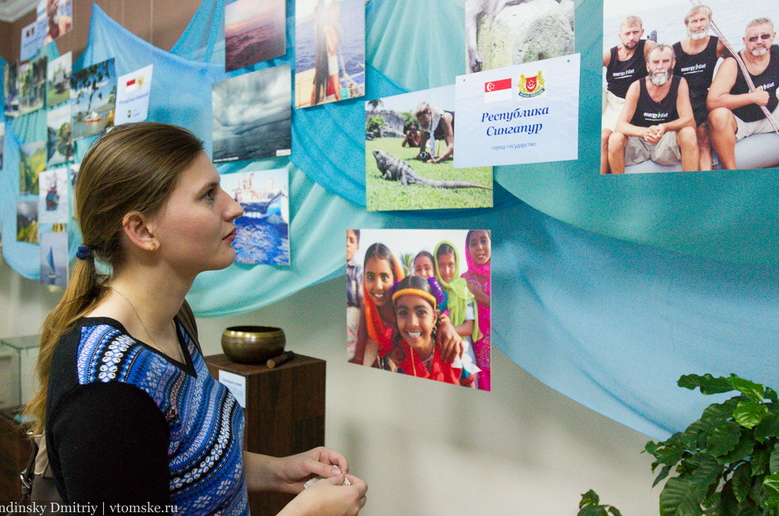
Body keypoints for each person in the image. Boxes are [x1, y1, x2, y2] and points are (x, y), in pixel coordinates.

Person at [23, 122, 367, 514]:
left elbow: (177, 469)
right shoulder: (105, 391)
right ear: (141, 229)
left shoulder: (174, 319)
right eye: (207, 195)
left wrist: (279, 471)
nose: (234, 207)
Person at [608, 44, 699, 173]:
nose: (660, 66)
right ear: (648, 66)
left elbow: (688, 119)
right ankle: (618, 187)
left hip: (666, 141)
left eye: (665, 61)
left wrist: (664, 127)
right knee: (615, 138)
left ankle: (691, 186)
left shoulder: (680, 83)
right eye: (655, 62)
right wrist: (645, 132)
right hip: (640, 141)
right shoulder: (636, 86)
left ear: (673, 63)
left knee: (689, 133)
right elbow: (621, 125)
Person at [707, 18, 779, 170]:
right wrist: (752, 97)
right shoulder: (733, 63)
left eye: (764, 36)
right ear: (744, 41)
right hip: (741, 122)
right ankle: (732, 173)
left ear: (773, 36)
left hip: (771, 114)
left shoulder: (777, 54)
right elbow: (713, 101)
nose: (759, 41)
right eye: (753, 38)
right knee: (718, 116)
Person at [389, 276, 474, 387]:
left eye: (421, 312)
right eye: (403, 313)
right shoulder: (399, 355)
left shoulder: (454, 350)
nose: (412, 323)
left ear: (434, 317)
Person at [672, 5, 727, 171]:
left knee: (703, 140)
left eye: (702, 19)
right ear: (687, 25)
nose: (699, 24)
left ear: (710, 21)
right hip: (682, 101)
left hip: (704, 98)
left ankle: (706, 180)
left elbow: (735, 64)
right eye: (694, 21)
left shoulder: (718, 45)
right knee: (690, 137)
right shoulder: (675, 50)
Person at [601, 16, 656, 174]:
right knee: (604, 137)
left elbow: (664, 63)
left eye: (635, 32)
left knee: (617, 138)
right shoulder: (610, 55)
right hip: (616, 103)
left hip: (640, 102)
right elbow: (586, 67)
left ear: (642, 32)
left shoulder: (647, 47)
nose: (631, 37)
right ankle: (601, 180)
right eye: (627, 33)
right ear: (620, 35)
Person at [434, 241, 481, 379]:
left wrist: (445, 329)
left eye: (451, 265)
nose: (447, 271)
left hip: (463, 352)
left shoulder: (464, 290)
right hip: (439, 352)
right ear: (436, 266)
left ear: (457, 264)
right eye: (442, 265)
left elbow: (468, 327)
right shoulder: (433, 291)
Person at [461, 230, 491, 392]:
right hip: (476, 358)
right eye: (473, 243)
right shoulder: (464, 281)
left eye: (483, 241)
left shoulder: (503, 275)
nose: (479, 247)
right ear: (467, 249)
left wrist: (482, 297)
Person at [346, 229, 362, 360]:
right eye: (344, 239)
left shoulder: (357, 270)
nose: (347, 244)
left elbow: (363, 302)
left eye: (351, 241)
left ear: (357, 247)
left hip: (353, 323)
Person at [325, 1, 343, 101]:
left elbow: (332, 49)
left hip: (330, 59)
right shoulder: (329, 25)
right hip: (326, 60)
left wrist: (327, 33)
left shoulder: (334, 27)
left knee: (336, 90)